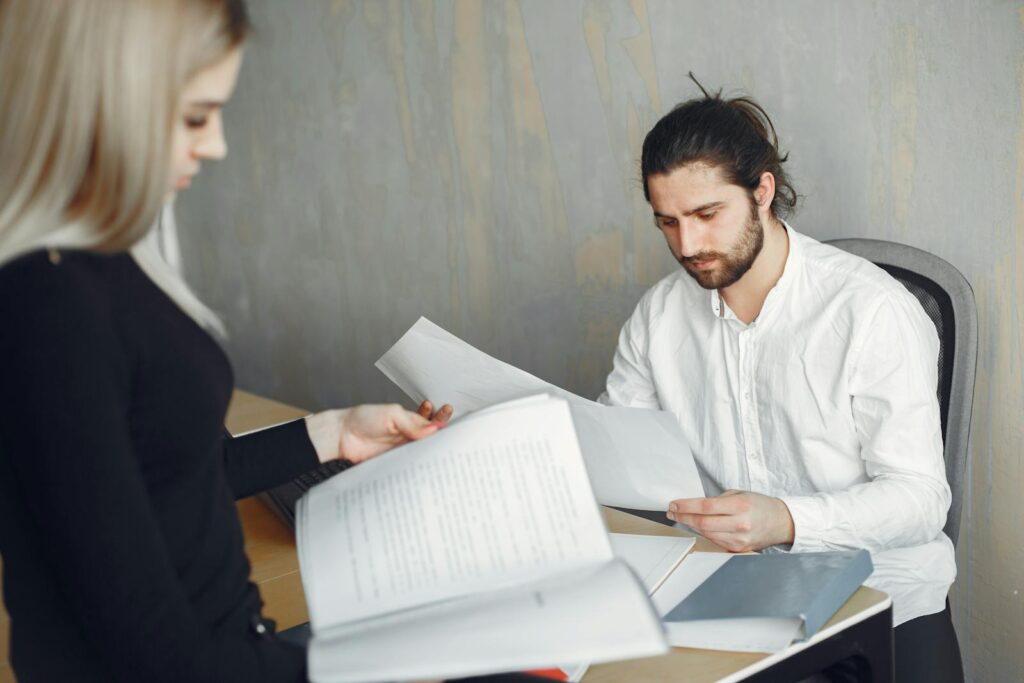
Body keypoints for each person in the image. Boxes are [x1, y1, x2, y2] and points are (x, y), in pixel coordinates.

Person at [0, 1, 450, 680]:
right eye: (194, 117)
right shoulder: (47, 306)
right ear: (102, 101)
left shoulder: (103, 257)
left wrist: (334, 432)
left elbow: (172, 471)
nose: (216, 146)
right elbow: (154, 650)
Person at [600, 80, 963, 681]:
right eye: (667, 222)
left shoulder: (871, 310)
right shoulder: (659, 315)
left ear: (763, 191)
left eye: (707, 215)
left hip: (881, 597)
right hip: (730, 594)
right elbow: (616, 451)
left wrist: (788, 521)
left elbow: (921, 500)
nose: (688, 245)